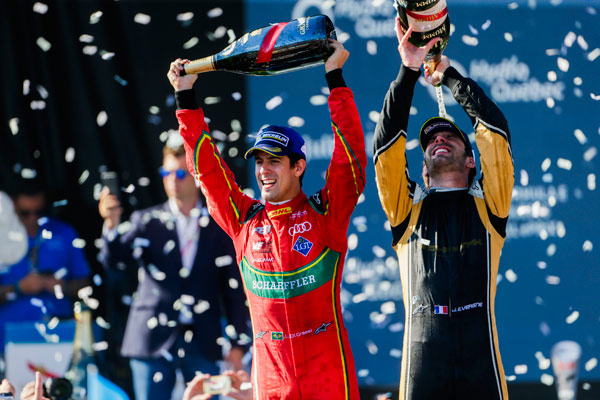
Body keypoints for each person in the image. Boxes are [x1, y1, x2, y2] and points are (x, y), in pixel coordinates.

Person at [167, 39, 366, 399]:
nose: (263, 170)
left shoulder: (326, 212)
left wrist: (335, 77)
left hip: (329, 380)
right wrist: (185, 100)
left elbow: (350, 157)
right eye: (259, 161)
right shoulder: (244, 218)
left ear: (298, 166)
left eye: (274, 160)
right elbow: (208, 172)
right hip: (271, 385)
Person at [373, 22, 513, 399]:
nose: (438, 139)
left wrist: (449, 76)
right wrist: (408, 70)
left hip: (480, 362)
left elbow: (494, 133)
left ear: (471, 161)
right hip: (422, 365)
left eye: (449, 136)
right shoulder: (407, 210)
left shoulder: (490, 206)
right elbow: (385, 149)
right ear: (422, 169)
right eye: (431, 139)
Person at [98, 142, 249, 400]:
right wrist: (111, 224)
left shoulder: (219, 224)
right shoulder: (146, 220)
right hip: (151, 338)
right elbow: (113, 260)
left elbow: (234, 289)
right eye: (166, 173)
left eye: (180, 174)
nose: (172, 181)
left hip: (203, 338)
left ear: (196, 176)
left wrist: (238, 344)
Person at [0, 183, 91, 356]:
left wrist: (62, 286)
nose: (33, 219)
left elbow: (84, 283)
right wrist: (18, 288)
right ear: (12, 206)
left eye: (39, 212)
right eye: (25, 213)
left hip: (57, 336)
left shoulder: (64, 232)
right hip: (6, 340)